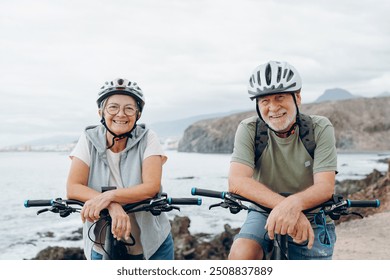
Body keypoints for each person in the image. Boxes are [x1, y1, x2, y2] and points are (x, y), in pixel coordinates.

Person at [228, 61, 338, 260]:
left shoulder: (319, 127)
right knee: (241, 254)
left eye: (280, 97)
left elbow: (325, 187)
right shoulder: (249, 129)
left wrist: (295, 205)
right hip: (263, 210)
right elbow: (237, 182)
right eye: (265, 101)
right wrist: (286, 206)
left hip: (312, 215)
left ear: (297, 97)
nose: (273, 107)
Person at [66, 78, 173, 260]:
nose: (121, 114)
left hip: (152, 245)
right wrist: (113, 206)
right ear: (101, 112)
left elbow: (151, 187)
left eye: (129, 108)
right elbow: (73, 187)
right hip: (101, 244)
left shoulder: (148, 137)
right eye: (113, 107)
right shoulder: (88, 138)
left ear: (138, 114)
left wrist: (109, 196)